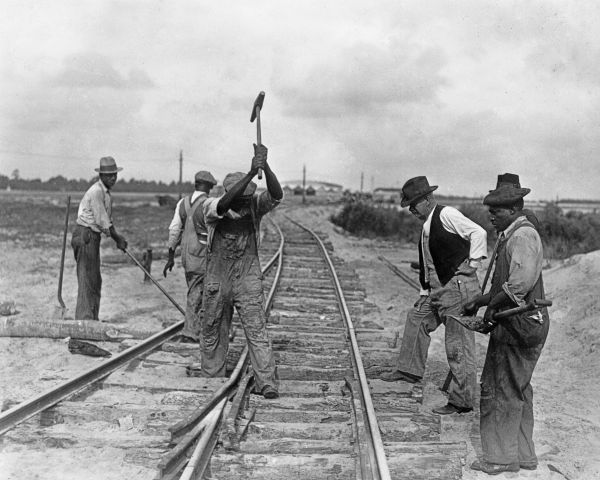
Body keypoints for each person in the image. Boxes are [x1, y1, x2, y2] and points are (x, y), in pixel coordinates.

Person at [462, 173, 549, 475]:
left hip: (519, 324)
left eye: (496, 211)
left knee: (501, 389)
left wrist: (490, 307)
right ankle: (524, 456)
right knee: (518, 388)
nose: (490, 216)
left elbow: (519, 286)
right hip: (520, 321)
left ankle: (500, 459)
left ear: (512, 210)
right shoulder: (514, 233)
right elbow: (510, 285)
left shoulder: (522, 236)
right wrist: (481, 301)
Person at [382, 176, 487, 415]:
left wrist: (473, 263)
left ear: (428, 199)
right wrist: (424, 291)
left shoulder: (447, 214)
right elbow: (427, 262)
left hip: (458, 289)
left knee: (457, 345)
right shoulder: (427, 225)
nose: (411, 210)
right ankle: (408, 370)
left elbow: (478, 233)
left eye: (414, 204)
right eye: (409, 205)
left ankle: (462, 401)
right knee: (417, 317)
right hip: (438, 289)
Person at [199, 144, 282, 399]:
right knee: (213, 327)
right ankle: (213, 377)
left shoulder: (255, 205)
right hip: (218, 277)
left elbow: (277, 195)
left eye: (249, 197)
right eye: (243, 198)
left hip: (247, 275)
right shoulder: (212, 206)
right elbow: (224, 205)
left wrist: (264, 166)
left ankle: (266, 381)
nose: (248, 202)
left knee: (257, 329)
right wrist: (249, 173)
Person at [163, 170, 217, 343]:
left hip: (187, 257)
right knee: (199, 293)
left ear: (195, 184)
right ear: (208, 187)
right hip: (202, 256)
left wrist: (171, 257)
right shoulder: (208, 204)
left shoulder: (182, 203)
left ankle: (196, 327)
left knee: (196, 290)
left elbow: (174, 231)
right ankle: (191, 333)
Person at [71, 157, 128, 320]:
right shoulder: (96, 192)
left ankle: (91, 319)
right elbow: (103, 221)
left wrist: (117, 238)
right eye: (109, 175)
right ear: (101, 175)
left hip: (92, 237)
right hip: (85, 236)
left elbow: (106, 221)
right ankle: (84, 320)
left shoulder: (105, 193)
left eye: (115, 175)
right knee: (87, 279)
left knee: (95, 280)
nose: (113, 178)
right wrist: (118, 239)